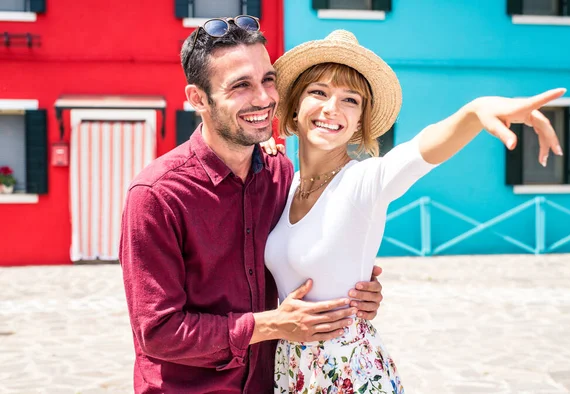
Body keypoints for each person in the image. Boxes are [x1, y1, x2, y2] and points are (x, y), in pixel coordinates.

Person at [264, 30, 564, 393]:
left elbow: (422, 150)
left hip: (349, 372)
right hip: (290, 369)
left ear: (360, 120)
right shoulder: (285, 184)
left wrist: (473, 112)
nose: (332, 108)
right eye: (319, 92)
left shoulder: (366, 182)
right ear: (295, 105)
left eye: (350, 99)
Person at [119, 17, 385, 394]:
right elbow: (158, 333)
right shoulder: (156, 194)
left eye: (267, 79)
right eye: (241, 85)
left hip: (271, 385)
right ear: (198, 99)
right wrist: (272, 325)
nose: (262, 98)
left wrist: (356, 291)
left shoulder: (281, 173)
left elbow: (300, 258)